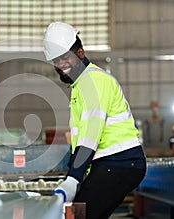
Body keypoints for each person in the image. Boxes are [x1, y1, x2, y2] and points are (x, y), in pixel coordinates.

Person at [43, 22, 147, 219]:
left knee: (81, 216)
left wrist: (73, 178)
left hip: (120, 162)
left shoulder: (95, 81)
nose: (61, 64)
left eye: (66, 57)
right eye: (56, 60)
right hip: (108, 164)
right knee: (79, 213)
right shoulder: (79, 86)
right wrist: (75, 173)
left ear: (80, 53)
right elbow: (81, 138)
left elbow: (91, 134)